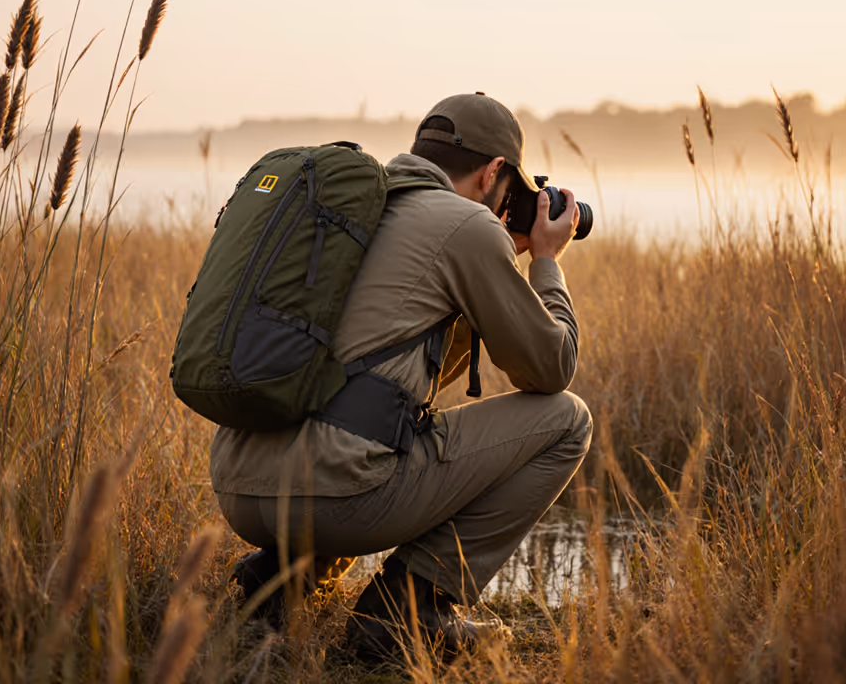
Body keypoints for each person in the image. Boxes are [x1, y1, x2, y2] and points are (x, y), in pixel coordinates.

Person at [210, 92, 593, 660]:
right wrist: (544, 261)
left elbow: (383, 375)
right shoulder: (466, 228)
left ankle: (275, 581)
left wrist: (492, 267)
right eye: (511, 191)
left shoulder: (356, 206)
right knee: (568, 420)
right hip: (333, 498)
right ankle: (408, 613)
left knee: (364, 414)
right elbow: (551, 368)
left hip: (238, 485)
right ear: (494, 173)